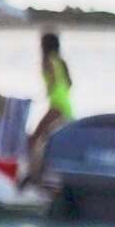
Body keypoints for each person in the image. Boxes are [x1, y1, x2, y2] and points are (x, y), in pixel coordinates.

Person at [26, 30, 74, 173]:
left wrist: (43, 95)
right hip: (65, 103)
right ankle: (45, 168)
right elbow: (70, 83)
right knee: (48, 138)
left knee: (35, 138)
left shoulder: (47, 61)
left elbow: (52, 82)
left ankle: (32, 170)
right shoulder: (61, 61)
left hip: (56, 105)